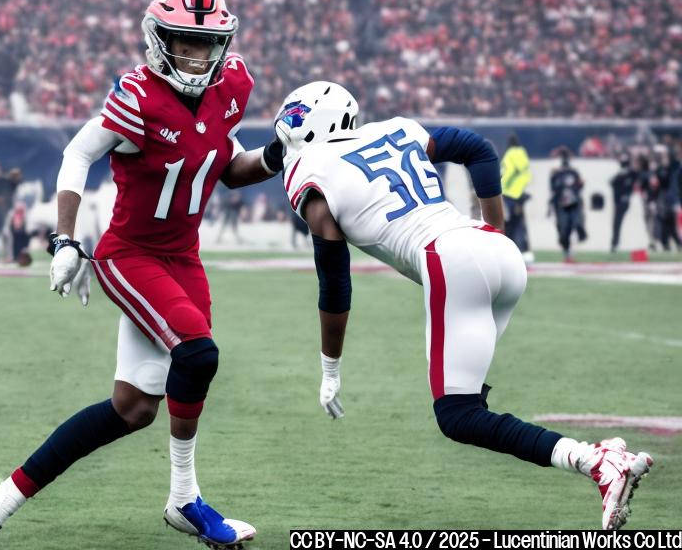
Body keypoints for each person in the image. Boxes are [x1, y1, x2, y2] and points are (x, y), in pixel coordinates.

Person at [0, 0, 280, 547]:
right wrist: (63, 239)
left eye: (207, 44)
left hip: (185, 257)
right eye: (184, 42)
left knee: (131, 409)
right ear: (157, 40)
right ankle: (186, 500)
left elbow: (228, 168)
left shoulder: (232, 85)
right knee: (199, 356)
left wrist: (280, 155)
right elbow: (77, 154)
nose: (197, 55)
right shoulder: (138, 96)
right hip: (131, 256)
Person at [273, 81, 653, 531]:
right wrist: (496, 230)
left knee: (458, 416)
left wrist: (330, 368)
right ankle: (601, 458)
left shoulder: (312, 173)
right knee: (468, 404)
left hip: (451, 259)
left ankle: (598, 462)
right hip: (494, 251)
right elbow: (477, 148)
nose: (290, 131)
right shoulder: (397, 129)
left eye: (296, 120)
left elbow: (335, 283)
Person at [500, 133, 533, 262]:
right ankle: (523, 251)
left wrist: (500, 186)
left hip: (509, 195)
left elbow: (508, 172)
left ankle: (509, 251)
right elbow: (526, 174)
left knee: (509, 224)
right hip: (520, 194)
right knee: (520, 224)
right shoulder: (523, 155)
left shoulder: (509, 155)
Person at [549, 149, 586, 262]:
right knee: (564, 230)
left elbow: (579, 186)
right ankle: (567, 254)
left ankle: (573, 248)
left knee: (577, 224)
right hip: (562, 205)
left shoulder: (573, 172)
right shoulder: (556, 173)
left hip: (573, 204)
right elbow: (553, 190)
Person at [609, 153, 636, 253]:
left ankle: (615, 244)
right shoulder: (619, 176)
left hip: (624, 201)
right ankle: (615, 244)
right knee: (616, 224)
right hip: (619, 202)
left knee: (617, 223)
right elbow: (611, 183)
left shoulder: (631, 174)